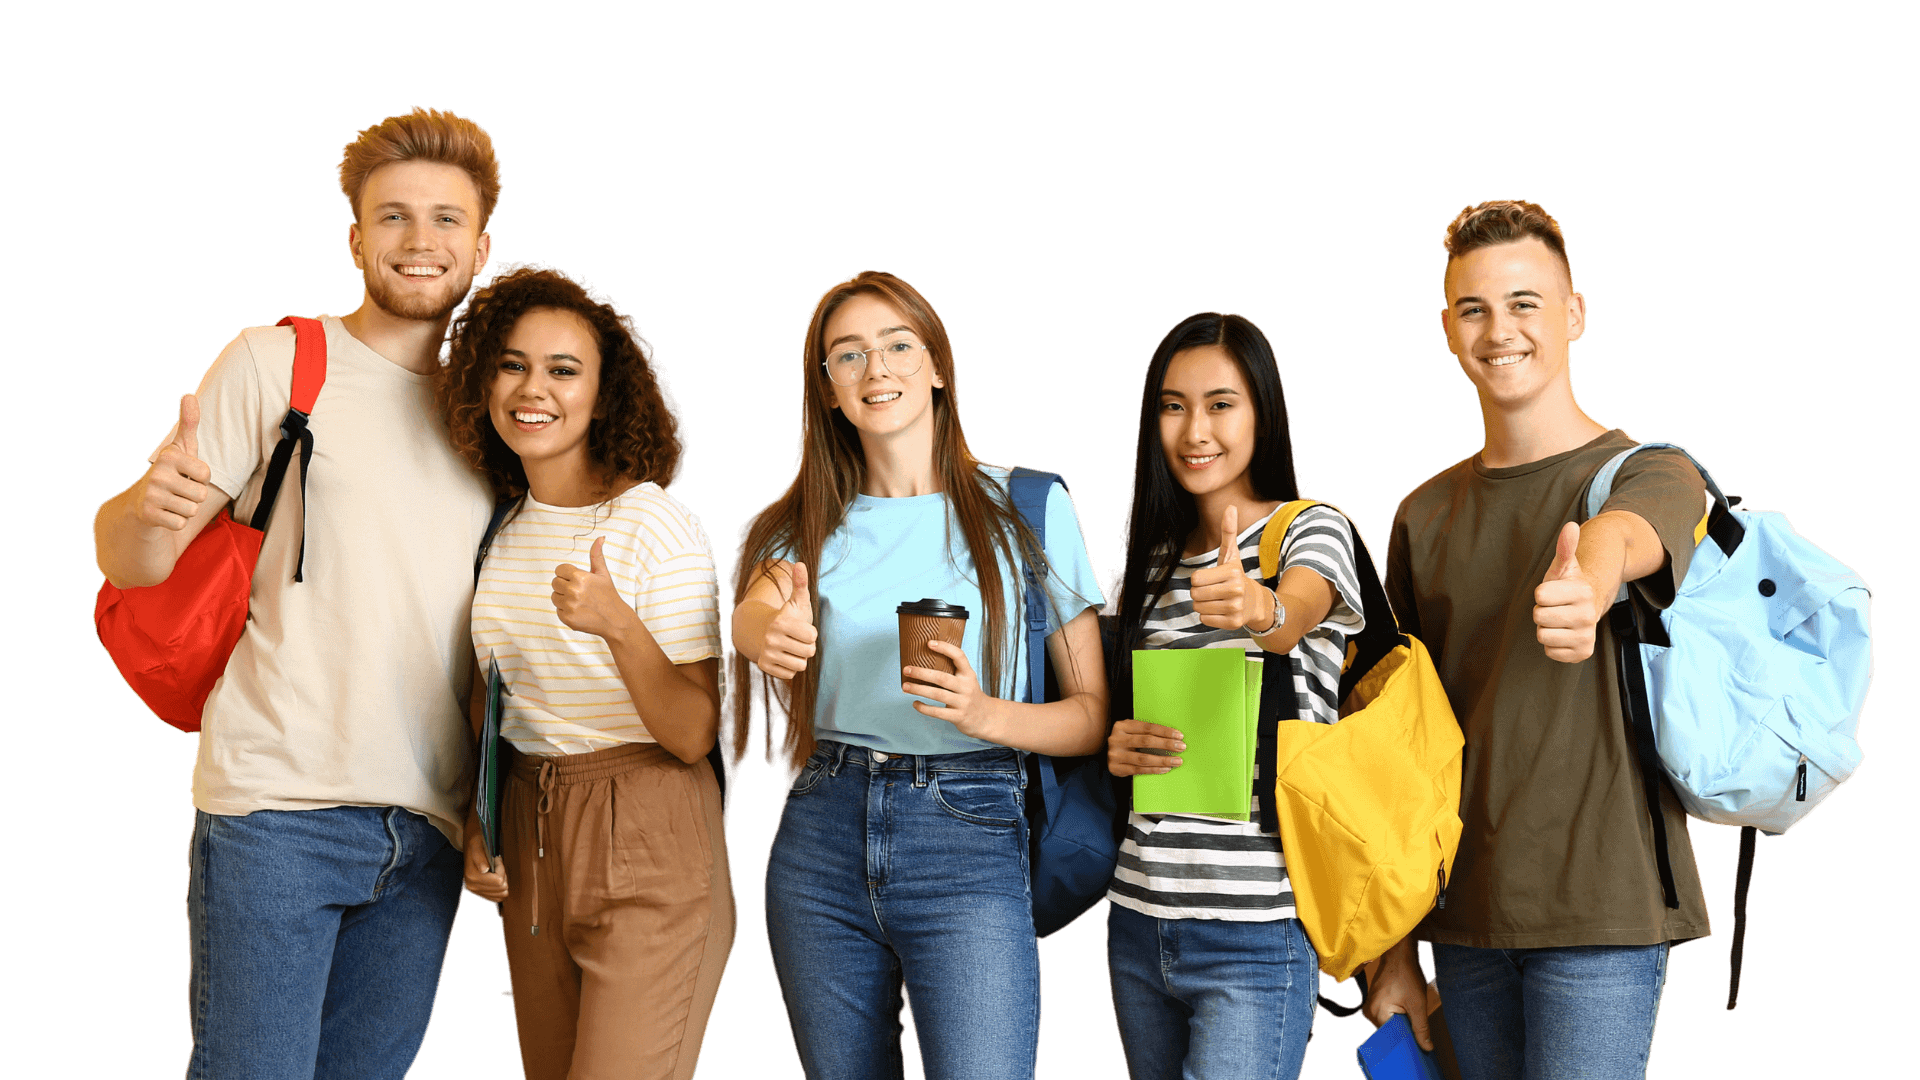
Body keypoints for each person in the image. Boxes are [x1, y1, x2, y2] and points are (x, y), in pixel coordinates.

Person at [90, 107, 501, 1077]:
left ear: (481, 249)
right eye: (392, 217)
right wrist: (153, 508)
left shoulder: (503, 408)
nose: (419, 240)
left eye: (445, 219)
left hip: (429, 825)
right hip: (276, 807)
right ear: (356, 237)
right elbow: (126, 557)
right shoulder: (278, 364)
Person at [722, 270, 1108, 1079]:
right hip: (821, 829)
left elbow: (1088, 715)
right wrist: (768, 631)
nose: (877, 369)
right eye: (848, 355)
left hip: (970, 830)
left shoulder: (1028, 508)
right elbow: (756, 609)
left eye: (899, 345)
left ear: (937, 365)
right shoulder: (801, 523)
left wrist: (982, 713)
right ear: (827, 389)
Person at [1375, 199, 1711, 1079]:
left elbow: (1633, 533)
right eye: (1476, 309)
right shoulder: (1421, 514)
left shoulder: (1653, 469)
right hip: (1464, 920)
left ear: (1574, 315)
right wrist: (1395, 953)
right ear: (1448, 330)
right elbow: (1399, 747)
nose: (1501, 331)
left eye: (1526, 303)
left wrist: (1591, 579)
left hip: (1601, 913)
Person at [439, 262, 734, 1080]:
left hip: (648, 824)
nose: (535, 389)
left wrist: (616, 626)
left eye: (564, 370)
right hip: (531, 829)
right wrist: (479, 820)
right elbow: (488, 698)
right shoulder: (499, 528)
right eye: (514, 365)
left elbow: (691, 731)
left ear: (603, 396)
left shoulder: (655, 526)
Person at [1103, 311, 1408, 1078]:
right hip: (1139, 918)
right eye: (1173, 406)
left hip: (1257, 928)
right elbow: (1127, 722)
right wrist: (1119, 743)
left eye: (1220, 404)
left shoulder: (1310, 530)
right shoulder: (1145, 564)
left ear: (1263, 414)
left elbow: (1294, 614)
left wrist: (1258, 608)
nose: (1194, 429)